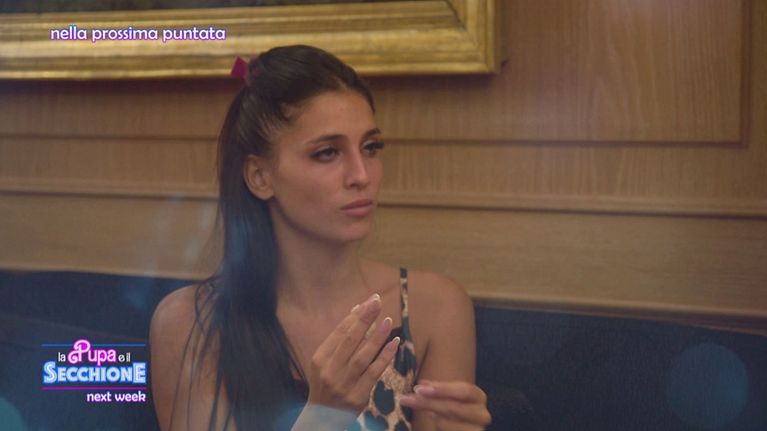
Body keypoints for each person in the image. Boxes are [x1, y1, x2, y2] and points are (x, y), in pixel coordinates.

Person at [149, 44, 491, 431]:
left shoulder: (434, 307)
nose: (361, 175)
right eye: (328, 153)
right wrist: (321, 419)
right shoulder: (192, 323)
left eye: (371, 147)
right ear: (260, 177)